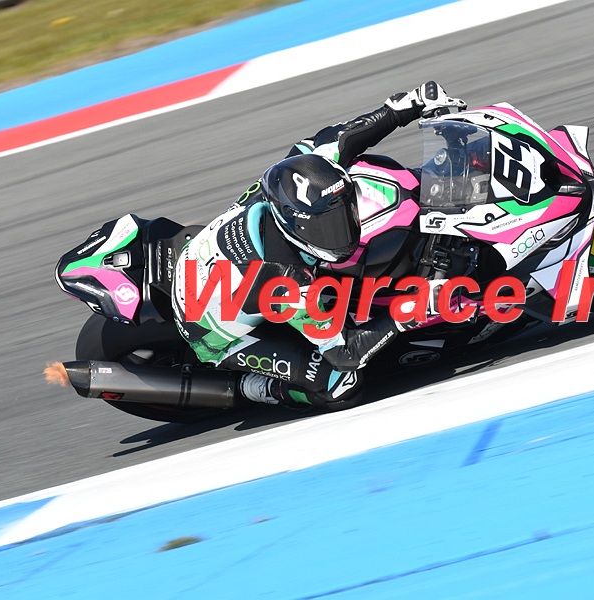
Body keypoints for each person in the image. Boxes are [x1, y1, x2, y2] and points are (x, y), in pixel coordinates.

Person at [171, 82, 466, 412]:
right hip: (206, 328)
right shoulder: (285, 284)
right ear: (295, 225)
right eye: (328, 228)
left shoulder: (294, 176)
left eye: (343, 215)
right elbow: (345, 354)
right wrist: (408, 311)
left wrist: (403, 107)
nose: (343, 231)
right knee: (339, 385)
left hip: (205, 264)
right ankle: (252, 387)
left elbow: (341, 138)